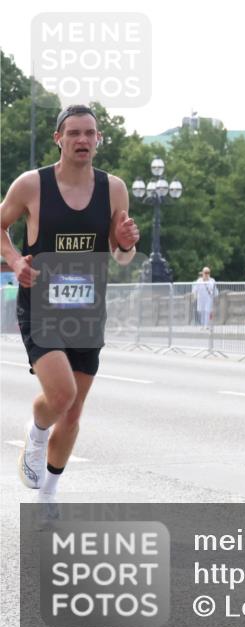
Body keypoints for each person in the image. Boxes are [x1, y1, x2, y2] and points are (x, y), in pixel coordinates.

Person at [1, 105, 140, 504]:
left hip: (87, 311)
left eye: (90, 133)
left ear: (98, 139)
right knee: (61, 395)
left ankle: (48, 495)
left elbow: (122, 256)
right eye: (74, 133)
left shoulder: (114, 189)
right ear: (58, 139)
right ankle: (36, 432)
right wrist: (15, 262)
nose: (83, 140)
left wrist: (126, 242)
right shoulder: (32, 185)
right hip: (41, 307)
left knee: (74, 412)